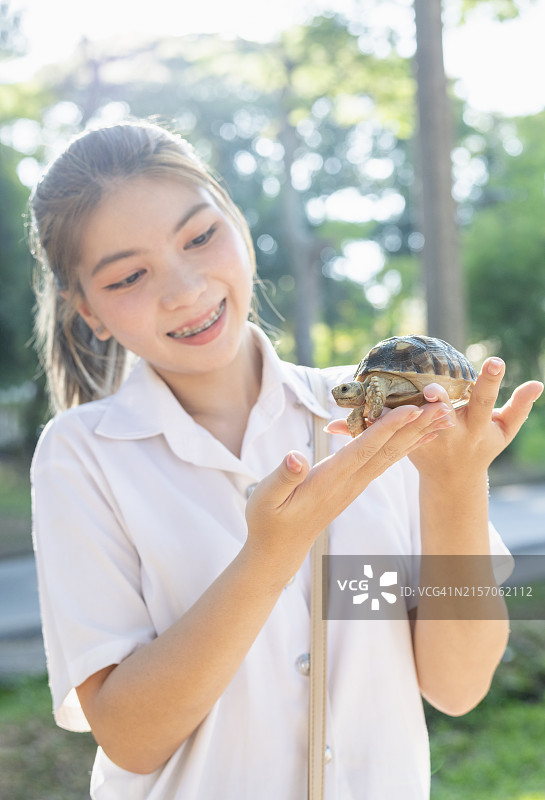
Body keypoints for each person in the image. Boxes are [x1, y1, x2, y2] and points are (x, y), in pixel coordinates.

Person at [29, 119, 543, 800]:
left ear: (237, 223)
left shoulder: (376, 420)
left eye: (201, 236)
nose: (183, 287)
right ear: (86, 310)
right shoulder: (81, 458)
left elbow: (455, 686)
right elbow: (130, 735)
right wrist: (272, 551)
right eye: (128, 275)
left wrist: (453, 488)